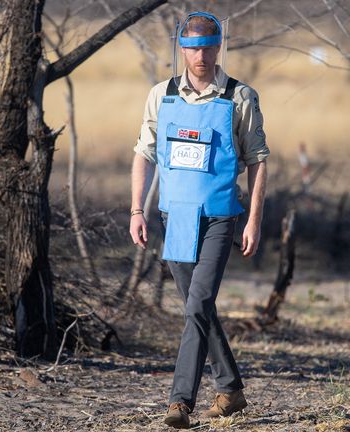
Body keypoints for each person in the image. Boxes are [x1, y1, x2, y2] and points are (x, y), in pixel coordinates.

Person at [129, 12, 269, 429]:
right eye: (192, 47)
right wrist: (137, 209)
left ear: (219, 46)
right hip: (175, 217)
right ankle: (231, 390)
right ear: (182, 48)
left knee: (199, 304)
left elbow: (258, 161)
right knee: (198, 308)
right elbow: (144, 152)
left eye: (208, 46)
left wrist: (254, 220)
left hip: (221, 218)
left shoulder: (239, 97)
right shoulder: (162, 94)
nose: (201, 55)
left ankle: (180, 403)